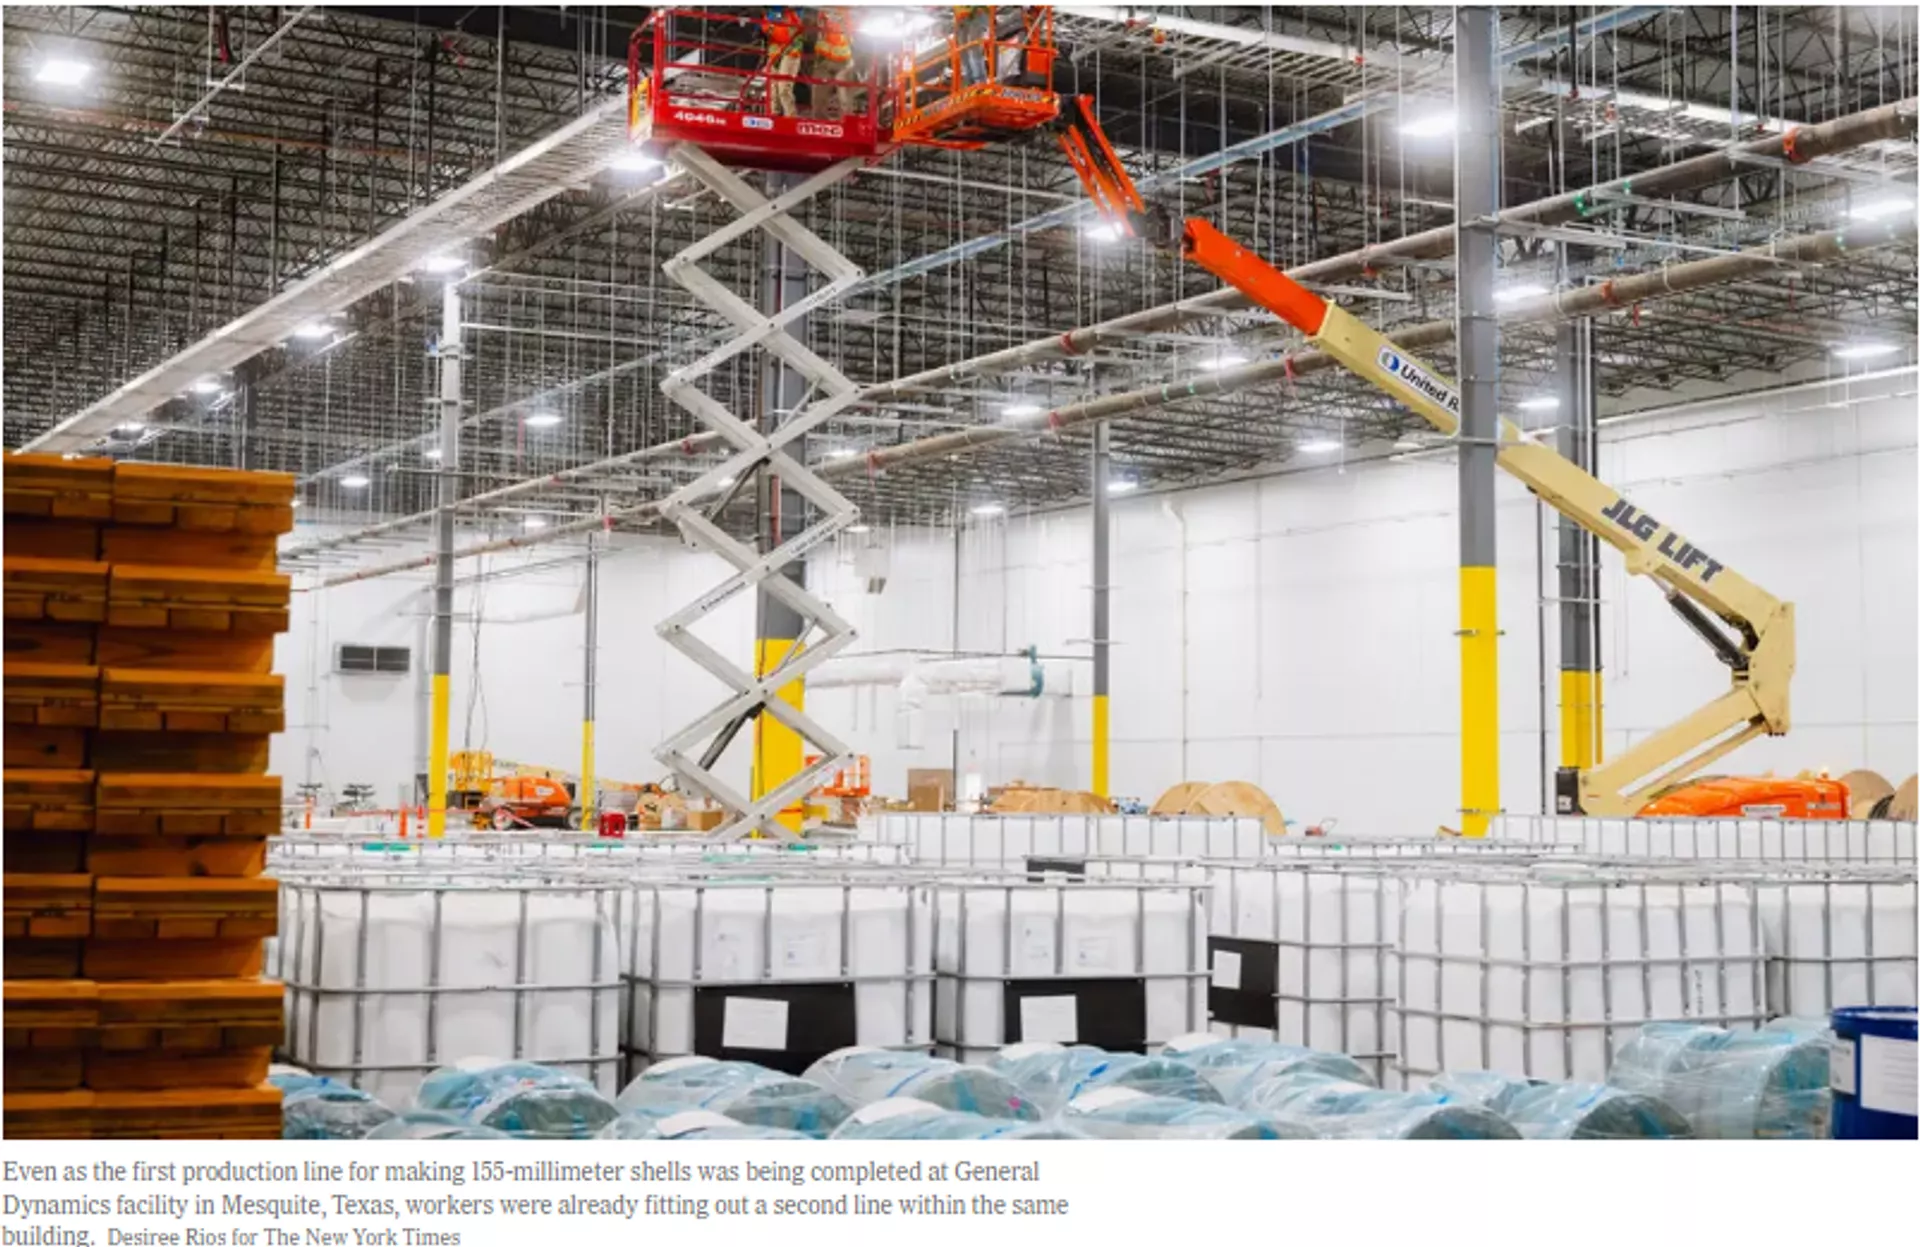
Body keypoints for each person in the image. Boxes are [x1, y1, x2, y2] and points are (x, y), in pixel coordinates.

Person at [811, 7, 860, 119]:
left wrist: (842, 18)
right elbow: (817, 25)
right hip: (823, 60)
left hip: (843, 62)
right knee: (818, 99)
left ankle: (846, 126)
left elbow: (853, 30)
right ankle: (819, 126)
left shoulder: (849, 10)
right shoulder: (823, 8)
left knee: (845, 100)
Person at [766, 7, 808, 117]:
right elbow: (766, 28)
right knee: (773, 91)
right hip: (774, 51)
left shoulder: (794, 11)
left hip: (790, 50)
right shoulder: (771, 11)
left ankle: (791, 119)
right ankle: (773, 119)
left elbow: (797, 26)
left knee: (784, 89)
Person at [954, 5, 991, 85]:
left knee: (974, 45)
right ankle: (969, 81)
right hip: (962, 18)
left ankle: (981, 81)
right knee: (962, 49)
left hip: (979, 12)